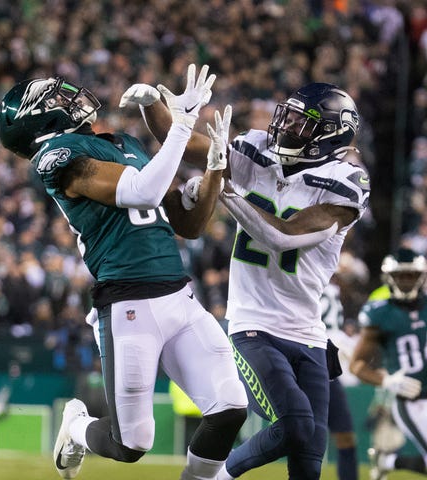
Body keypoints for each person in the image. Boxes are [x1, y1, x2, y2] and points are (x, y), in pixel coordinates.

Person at [0, 64, 248, 480]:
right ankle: (77, 426)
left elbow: (188, 224)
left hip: (179, 296)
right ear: (38, 122)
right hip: (128, 305)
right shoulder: (56, 158)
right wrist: (181, 126)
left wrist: (214, 169)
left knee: (229, 409)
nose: (70, 99)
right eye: (54, 101)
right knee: (130, 444)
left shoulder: (126, 142)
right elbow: (141, 190)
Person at [120, 81, 370, 479]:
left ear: (329, 135)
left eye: (302, 123)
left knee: (309, 459)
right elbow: (181, 142)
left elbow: (282, 235)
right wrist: (157, 107)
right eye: (286, 115)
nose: (286, 126)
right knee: (294, 425)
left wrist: (224, 187)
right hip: (254, 325)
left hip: (309, 333)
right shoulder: (257, 150)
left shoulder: (345, 182)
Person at [350, 248, 427, 479]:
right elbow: (357, 365)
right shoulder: (380, 313)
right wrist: (387, 380)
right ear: (389, 278)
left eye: (411, 275)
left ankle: (387, 460)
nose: (406, 281)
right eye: (401, 275)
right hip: (410, 399)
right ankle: (387, 460)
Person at [321, 281, 359, 480]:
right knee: (303, 436)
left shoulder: (333, 289)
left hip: (328, 368)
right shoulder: (303, 279)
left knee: (346, 436)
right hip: (306, 360)